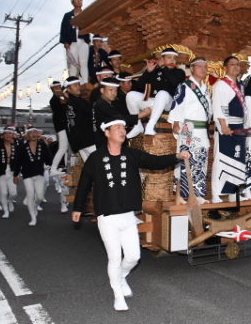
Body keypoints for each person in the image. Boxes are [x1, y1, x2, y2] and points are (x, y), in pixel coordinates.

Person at [72, 118, 189, 311]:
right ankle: (118, 295)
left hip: (127, 216)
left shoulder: (131, 154)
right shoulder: (96, 158)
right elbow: (84, 184)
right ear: (107, 133)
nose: (122, 130)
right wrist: (77, 208)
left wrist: (177, 155)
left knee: (134, 257)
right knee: (115, 258)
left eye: (123, 127)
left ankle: (121, 277)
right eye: (116, 127)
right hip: (107, 217)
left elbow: (155, 162)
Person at [168, 57, 211, 203]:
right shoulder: (184, 86)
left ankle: (198, 194)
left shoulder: (205, 88)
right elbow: (177, 104)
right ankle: (180, 194)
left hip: (202, 129)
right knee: (185, 159)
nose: (203, 69)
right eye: (199, 66)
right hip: (187, 127)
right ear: (192, 68)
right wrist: (175, 122)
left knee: (200, 161)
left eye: (205, 66)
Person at [211, 55, 248, 203]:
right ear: (225, 67)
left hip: (240, 126)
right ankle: (216, 194)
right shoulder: (221, 85)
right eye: (232, 64)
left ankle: (234, 192)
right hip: (227, 126)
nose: (235, 67)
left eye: (238, 65)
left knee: (237, 160)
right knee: (222, 159)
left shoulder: (241, 86)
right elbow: (218, 106)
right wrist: (223, 125)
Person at [13, 127, 53, 226]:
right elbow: (17, 161)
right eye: (32, 133)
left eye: (36, 133)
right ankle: (33, 217)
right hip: (27, 174)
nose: (34, 134)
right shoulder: (22, 146)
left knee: (39, 196)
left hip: (39, 173)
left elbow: (49, 158)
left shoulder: (42, 145)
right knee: (30, 193)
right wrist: (15, 174)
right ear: (27, 135)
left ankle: (35, 207)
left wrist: (51, 165)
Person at [93, 78, 148, 148]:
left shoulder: (109, 103)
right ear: (102, 90)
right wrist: (141, 115)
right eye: (110, 90)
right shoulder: (100, 104)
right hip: (107, 145)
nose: (114, 93)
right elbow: (119, 118)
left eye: (115, 90)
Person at [63, 76, 96, 161]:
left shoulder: (69, 103)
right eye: (74, 86)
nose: (78, 87)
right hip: (88, 139)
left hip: (78, 142)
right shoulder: (78, 102)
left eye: (78, 85)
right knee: (99, 165)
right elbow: (92, 116)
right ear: (69, 90)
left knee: (90, 168)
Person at [60, 0, 91, 83]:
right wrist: (65, 42)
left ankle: (84, 82)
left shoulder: (86, 14)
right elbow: (63, 29)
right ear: (72, 2)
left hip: (83, 41)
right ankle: (72, 82)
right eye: (77, 0)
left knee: (84, 62)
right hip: (72, 42)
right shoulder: (67, 15)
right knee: (73, 64)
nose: (79, 1)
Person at [0, 126, 18, 219]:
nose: (8, 135)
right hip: (1, 171)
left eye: (10, 133)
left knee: (13, 193)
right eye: (6, 134)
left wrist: (17, 174)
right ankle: (5, 210)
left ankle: (10, 201)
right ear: (3, 136)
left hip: (12, 171)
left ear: (13, 135)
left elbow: (19, 161)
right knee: (3, 192)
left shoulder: (16, 147)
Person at [49, 81, 69, 176]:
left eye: (59, 87)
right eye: (56, 87)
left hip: (64, 126)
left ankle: (66, 167)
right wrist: (64, 96)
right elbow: (64, 105)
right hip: (61, 126)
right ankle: (53, 168)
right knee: (63, 147)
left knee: (66, 148)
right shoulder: (54, 99)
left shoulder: (60, 97)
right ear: (52, 89)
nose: (58, 88)